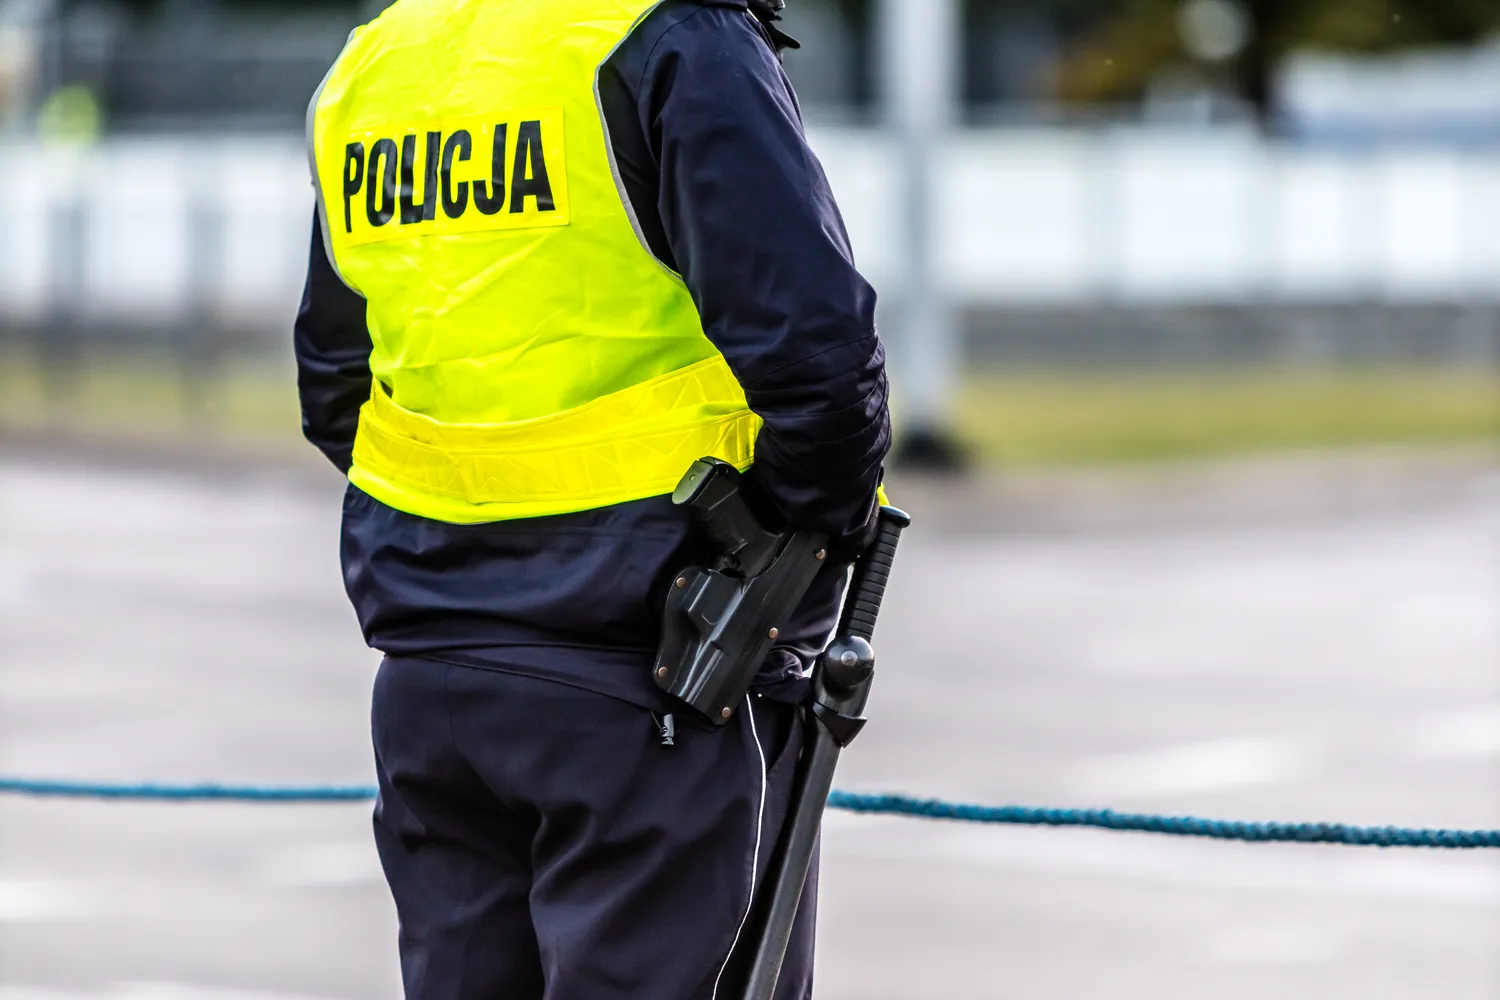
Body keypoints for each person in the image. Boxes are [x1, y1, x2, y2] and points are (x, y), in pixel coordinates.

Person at [295, 1, 889, 997]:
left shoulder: (380, 58)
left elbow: (335, 389)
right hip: (659, 671)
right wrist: (786, 542)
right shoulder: (671, 34)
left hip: (436, 675)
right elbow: (820, 365)